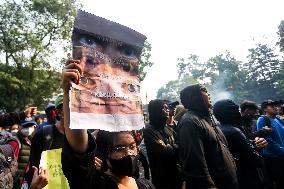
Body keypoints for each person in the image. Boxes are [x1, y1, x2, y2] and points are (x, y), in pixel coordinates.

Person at [178, 84, 239, 189]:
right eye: (204, 90)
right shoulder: (190, 122)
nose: (209, 94)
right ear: (193, 96)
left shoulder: (206, 119)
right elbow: (196, 166)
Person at [213, 99, 265, 189]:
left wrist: (251, 143)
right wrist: (259, 147)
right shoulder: (234, 131)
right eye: (236, 110)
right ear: (231, 112)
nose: (239, 113)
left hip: (233, 177)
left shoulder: (218, 129)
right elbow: (256, 160)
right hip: (248, 177)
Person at [25, 94, 65, 186]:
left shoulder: (85, 138)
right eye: (67, 107)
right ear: (58, 112)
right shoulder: (42, 134)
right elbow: (33, 168)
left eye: (75, 107)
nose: (72, 112)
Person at [143, 99, 180, 189]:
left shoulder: (168, 128)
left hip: (177, 174)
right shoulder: (149, 130)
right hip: (162, 177)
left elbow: (181, 144)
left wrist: (172, 147)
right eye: (164, 108)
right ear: (156, 110)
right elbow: (164, 152)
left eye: (168, 108)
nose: (167, 110)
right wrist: (176, 147)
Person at [256, 100, 284, 189]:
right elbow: (266, 139)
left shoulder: (278, 119)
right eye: (272, 106)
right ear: (265, 109)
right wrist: (281, 150)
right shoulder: (262, 119)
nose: (276, 107)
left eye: (276, 106)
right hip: (273, 158)